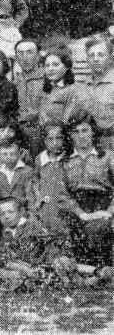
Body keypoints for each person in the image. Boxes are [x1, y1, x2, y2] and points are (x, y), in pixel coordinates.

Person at [62, 111, 114, 267]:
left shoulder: (107, 157)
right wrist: (81, 214)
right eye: (76, 132)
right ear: (70, 135)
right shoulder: (65, 161)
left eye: (85, 130)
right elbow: (62, 194)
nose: (81, 135)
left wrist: (109, 212)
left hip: (104, 209)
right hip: (78, 212)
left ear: (93, 132)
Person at [34, 122, 71, 234]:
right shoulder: (40, 158)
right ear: (45, 141)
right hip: (46, 207)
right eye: (50, 139)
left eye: (59, 138)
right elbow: (35, 179)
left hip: (64, 208)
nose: (55, 143)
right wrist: (38, 196)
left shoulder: (69, 159)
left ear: (64, 139)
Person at [38, 50, 89, 126]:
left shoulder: (73, 91)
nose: (50, 69)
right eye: (47, 65)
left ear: (66, 67)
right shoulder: (47, 90)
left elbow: (67, 120)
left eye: (55, 65)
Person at [13, 39, 45, 158]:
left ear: (37, 56)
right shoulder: (15, 82)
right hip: (20, 136)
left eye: (29, 52)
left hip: (42, 135)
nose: (24, 57)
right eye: (20, 53)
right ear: (16, 57)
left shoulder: (47, 79)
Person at [83, 37, 114, 150]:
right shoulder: (85, 85)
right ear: (87, 60)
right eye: (91, 55)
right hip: (91, 145)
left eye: (101, 55)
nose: (96, 59)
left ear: (110, 58)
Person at [0, 140, 35, 207]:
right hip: (4, 211)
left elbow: (30, 195)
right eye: (4, 154)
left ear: (19, 154)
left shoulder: (27, 171)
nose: (8, 157)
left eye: (12, 154)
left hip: (22, 208)